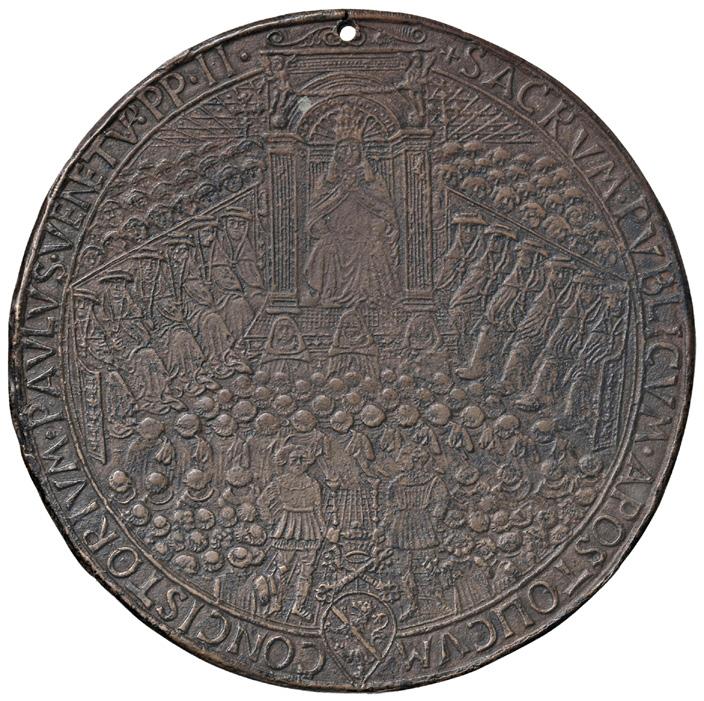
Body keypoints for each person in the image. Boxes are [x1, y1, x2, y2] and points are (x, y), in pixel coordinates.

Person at [303, 110, 401, 306]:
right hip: (336, 236)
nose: (348, 154)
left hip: (365, 235)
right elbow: (315, 214)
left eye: (353, 149)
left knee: (375, 246)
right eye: (343, 149)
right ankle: (326, 295)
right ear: (336, 153)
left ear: (361, 152)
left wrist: (359, 192)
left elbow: (386, 212)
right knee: (325, 246)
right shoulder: (325, 182)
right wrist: (340, 193)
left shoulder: (374, 180)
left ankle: (375, 297)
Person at [257, 445, 336, 621]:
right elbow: (262, 501)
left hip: (309, 528)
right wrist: (270, 520)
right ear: (286, 462)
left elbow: (318, 510)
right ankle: (276, 602)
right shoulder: (280, 482)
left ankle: (298, 606)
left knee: (307, 571)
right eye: (294, 460)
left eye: (302, 460)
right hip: (288, 527)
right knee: (282, 568)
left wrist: (324, 529)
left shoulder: (313, 484)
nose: (298, 463)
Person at [327, 309, 379, 381]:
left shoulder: (365, 340)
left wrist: (352, 350)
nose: (350, 328)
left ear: (361, 326)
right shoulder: (341, 340)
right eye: (346, 325)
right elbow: (332, 351)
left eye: (355, 325)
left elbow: (373, 350)